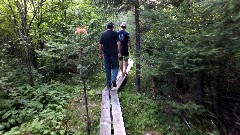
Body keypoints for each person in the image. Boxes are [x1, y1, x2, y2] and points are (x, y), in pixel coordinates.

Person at [99, 22, 121, 89]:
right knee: (115, 67)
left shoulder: (103, 34)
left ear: (107, 27)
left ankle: (108, 84)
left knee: (107, 69)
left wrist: (100, 53)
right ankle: (113, 78)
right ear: (112, 27)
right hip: (114, 54)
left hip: (106, 54)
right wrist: (119, 52)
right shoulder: (115, 33)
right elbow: (119, 43)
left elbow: (100, 44)